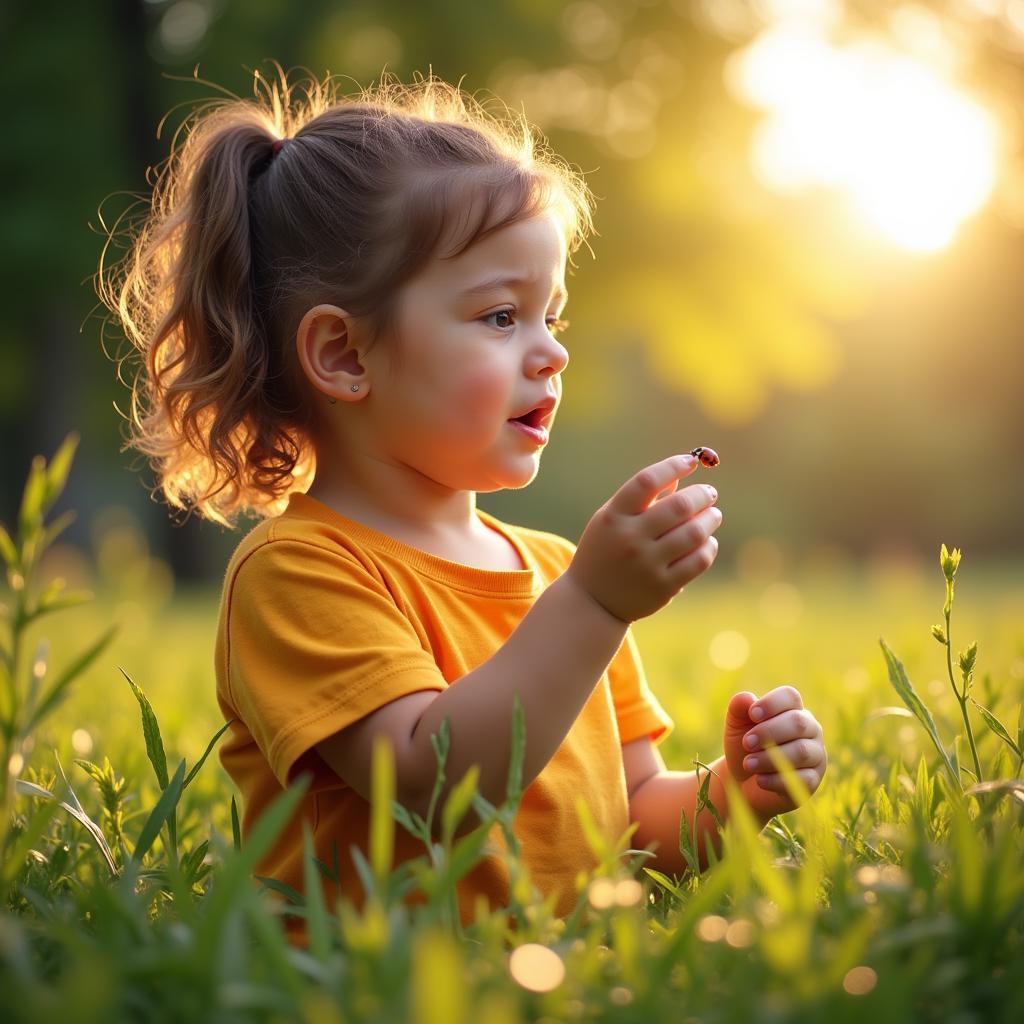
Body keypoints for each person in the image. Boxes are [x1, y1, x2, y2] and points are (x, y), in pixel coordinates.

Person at [100, 66, 827, 943]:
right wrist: (594, 608)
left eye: (552, 316)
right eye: (499, 317)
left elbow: (633, 820)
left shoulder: (558, 570)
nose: (551, 352)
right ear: (344, 355)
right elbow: (429, 791)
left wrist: (733, 795)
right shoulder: (301, 570)